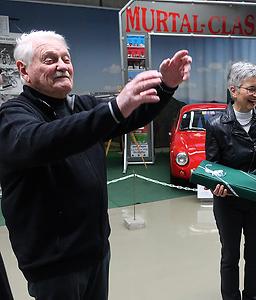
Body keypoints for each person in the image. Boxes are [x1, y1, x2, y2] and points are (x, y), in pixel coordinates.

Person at [0, 30, 191, 300]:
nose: (62, 65)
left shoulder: (80, 106)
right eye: (49, 59)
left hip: (96, 252)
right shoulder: (13, 116)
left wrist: (166, 87)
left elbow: (131, 113)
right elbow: (42, 141)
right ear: (23, 69)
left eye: (66, 58)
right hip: (55, 267)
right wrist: (113, 109)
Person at [205, 61, 256, 300]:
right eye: (251, 89)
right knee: (230, 257)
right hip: (228, 203)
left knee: (255, 258)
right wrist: (215, 187)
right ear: (233, 90)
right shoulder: (216, 125)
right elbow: (211, 167)